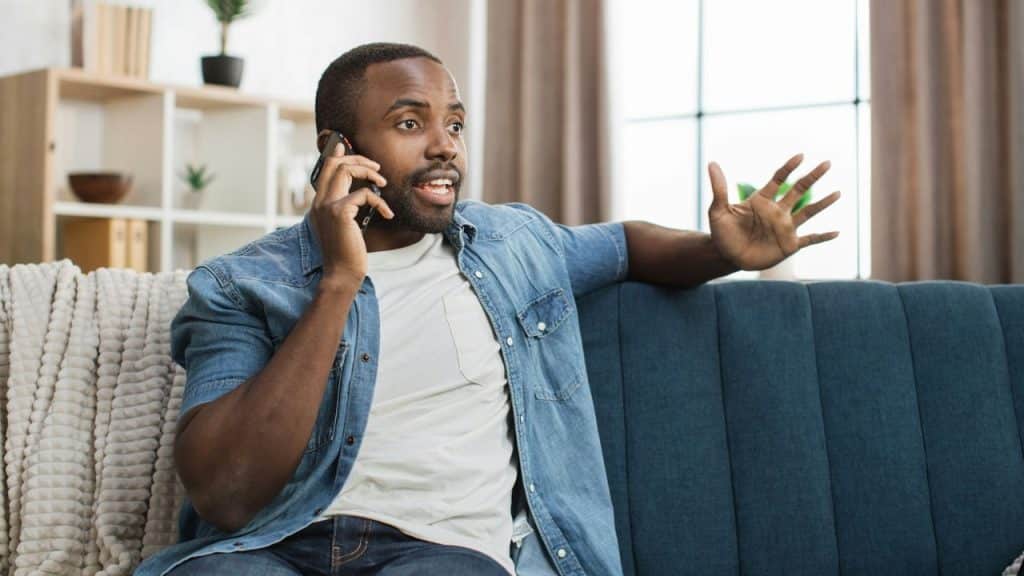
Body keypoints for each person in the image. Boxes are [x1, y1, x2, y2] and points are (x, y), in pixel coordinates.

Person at [134, 42, 840, 576]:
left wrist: (718, 252)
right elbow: (225, 493)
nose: (445, 145)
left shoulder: (513, 243)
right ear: (339, 150)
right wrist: (339, 282)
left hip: (441, 552)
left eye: (455, 123)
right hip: (274, 547)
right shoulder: (240, 284)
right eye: (410, 122)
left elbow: (625, 245)